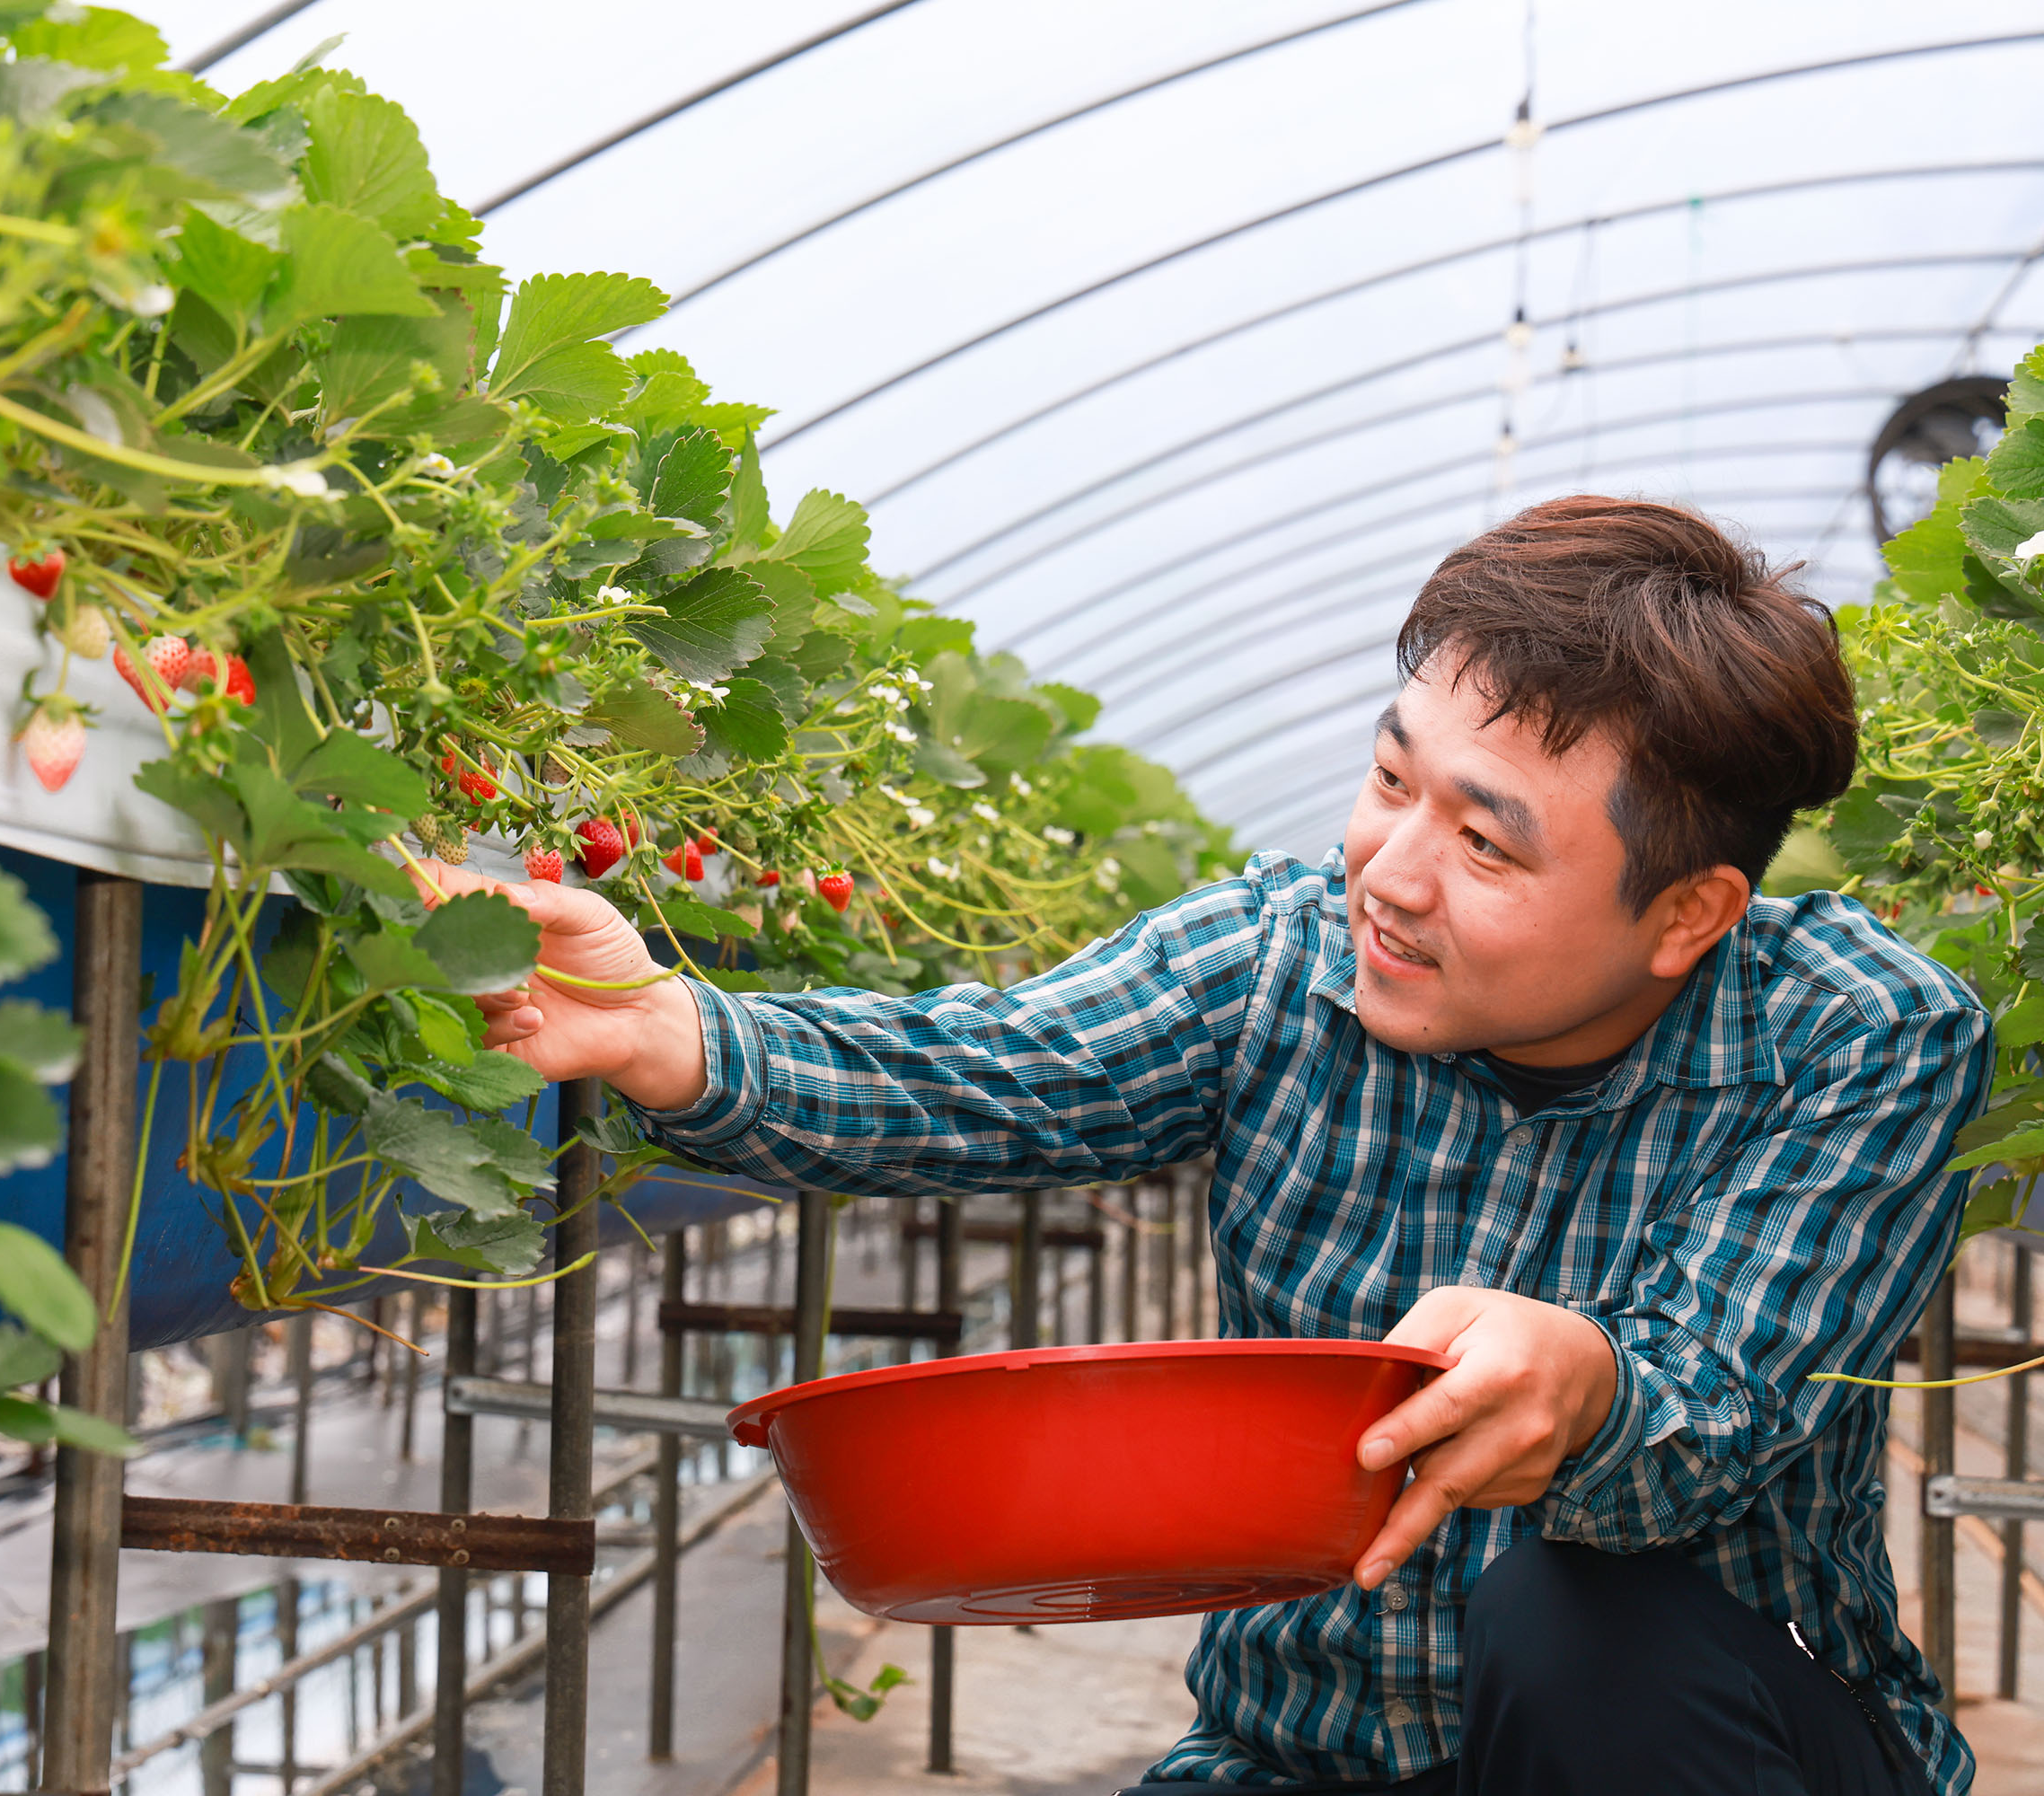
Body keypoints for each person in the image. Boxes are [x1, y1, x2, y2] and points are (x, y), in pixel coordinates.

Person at [446, 496, 1987, 1795]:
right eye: (1393, 781)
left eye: (1486, 841)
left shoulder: (1861, 1037)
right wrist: (673, 1032)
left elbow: (1711, 1416)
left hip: (1717, 1738)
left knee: (1582, 1612)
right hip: (1311, 1749)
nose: (1392, 869)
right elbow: (997, 1069)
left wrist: (1587, 1384)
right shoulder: (1276, 961)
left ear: (1689, 916)